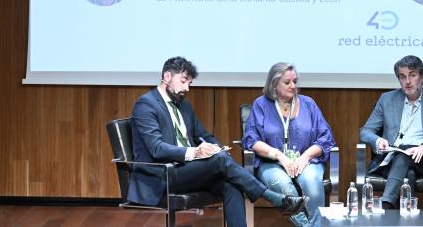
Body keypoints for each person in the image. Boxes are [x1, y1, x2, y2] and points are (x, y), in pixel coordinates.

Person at [128, 57, 308, 227]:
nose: (187, 88)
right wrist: (195, 152)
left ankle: (272, 199)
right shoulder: (146, 105)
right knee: (220, 161)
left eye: (189, 83)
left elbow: (203, 134)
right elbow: (156, 148)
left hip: (185, 170)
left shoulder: (183, 105)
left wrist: (218, 148)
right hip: (162, 174)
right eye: (183, 81)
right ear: (167, 76)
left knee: (231, 184)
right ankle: (273, 197)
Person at [243, 63, 336, 226]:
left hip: (307, 162)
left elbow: (325, 138)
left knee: (312, 183)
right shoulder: (261, 105)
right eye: (287, 82)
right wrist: (279, 156)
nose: (293, 86)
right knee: (286, 188)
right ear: (274, 84)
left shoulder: (309, 104)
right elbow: (252, 140)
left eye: (295, 81)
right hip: (272, 163)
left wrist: (305, 157)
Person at [359, 55, 423, 209]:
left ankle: (386, 206)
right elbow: (366, 131)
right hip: (391, 159)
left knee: (405, 157)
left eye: (412, 75)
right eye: (402, 77)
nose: (407, 81)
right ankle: (406, 218)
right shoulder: (387, 99)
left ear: (422, 77)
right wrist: (378, 140)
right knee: (407, 173)